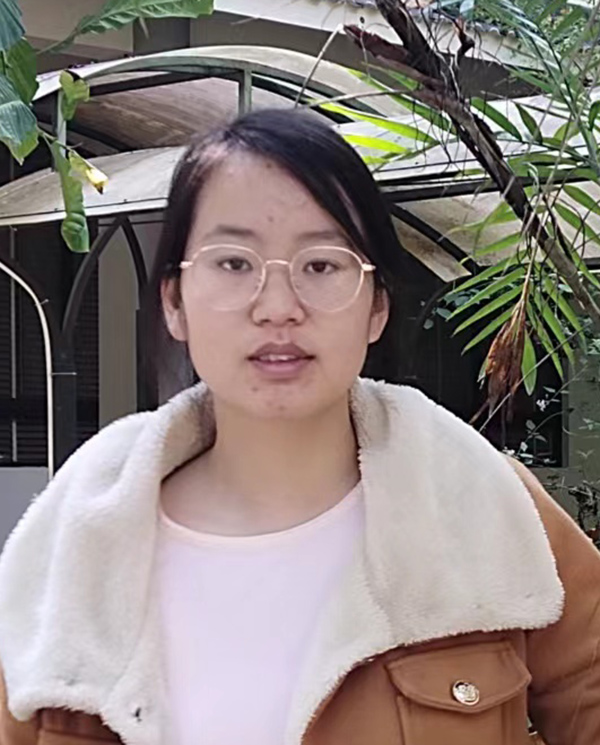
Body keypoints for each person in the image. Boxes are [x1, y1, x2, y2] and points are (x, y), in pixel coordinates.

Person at [0, 108, 599, 745]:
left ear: (376, 306)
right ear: (175, 302)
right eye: (234, 263)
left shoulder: (480, 504)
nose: (278, 308)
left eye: (321, 265)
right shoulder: (76, 545)